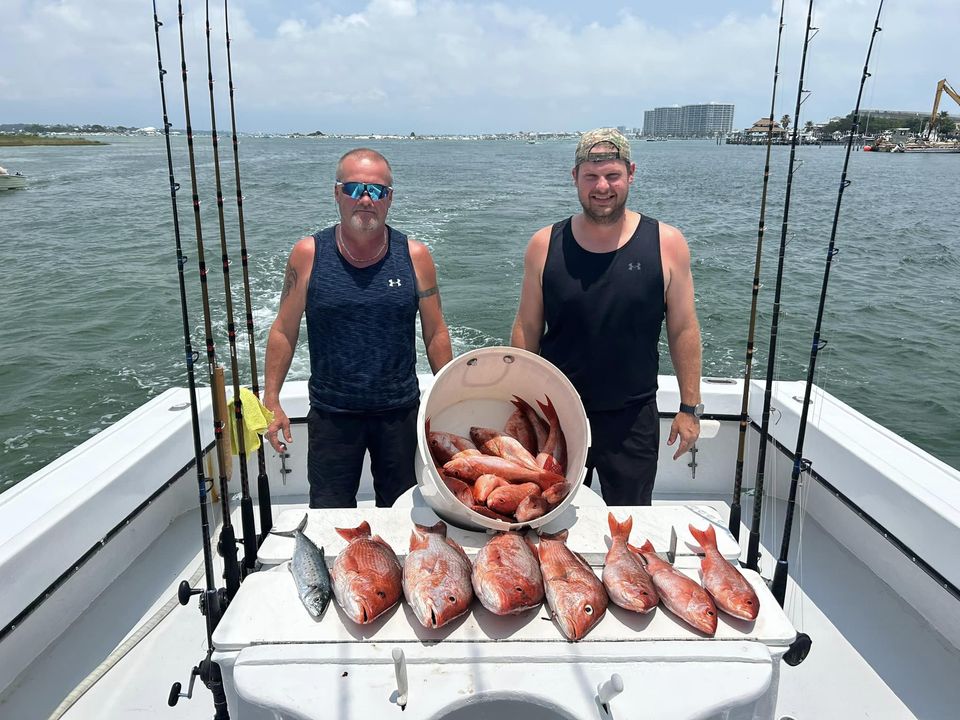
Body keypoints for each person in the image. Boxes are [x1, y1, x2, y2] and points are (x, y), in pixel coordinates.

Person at [511, 128, 702, 506]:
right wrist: (520, 404)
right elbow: (527, 326)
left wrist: (689, 408)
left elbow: (684, 329)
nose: (602, 187)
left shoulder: (667, 243)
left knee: (626, 523)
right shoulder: (544, 244)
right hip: (558, 415)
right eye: (591, 176)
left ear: (631, 174)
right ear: (575, 178)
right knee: (546, 519)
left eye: (613, 175)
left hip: (632, 417)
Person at [263, 148, 452, 508]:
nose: (366, 198)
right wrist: (272, 400)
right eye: (354, 188)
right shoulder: (308, 254)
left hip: (400, 414)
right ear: (337, 193)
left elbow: (435, 331)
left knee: (407, 518)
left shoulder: (415, 256)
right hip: (332, 415)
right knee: (330, 517)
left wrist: (452, 394)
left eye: (377, 191)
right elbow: (284, 330)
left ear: (389, 199)